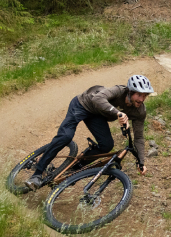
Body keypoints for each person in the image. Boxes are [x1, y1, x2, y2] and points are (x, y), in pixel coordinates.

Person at [25, 74, 154, 190]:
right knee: (66, 136)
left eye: (145, 96)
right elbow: (97, 99)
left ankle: (74, 169)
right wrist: (117, 113)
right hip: (82, 105)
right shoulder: (118, 91)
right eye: (139, 95)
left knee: (106, 145)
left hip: (97, 115)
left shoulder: (139, 111)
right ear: (130, 92)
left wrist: (141, 161)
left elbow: (139, 137)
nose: (142, 99)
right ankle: (37, 173)